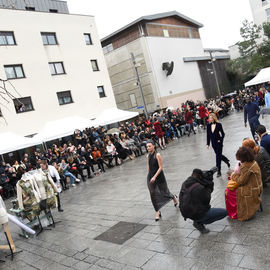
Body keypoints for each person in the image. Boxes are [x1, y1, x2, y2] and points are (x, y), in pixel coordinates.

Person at [179, 167, 227, 234]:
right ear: (200, 177)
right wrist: (209, 182)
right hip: (197, 213)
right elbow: (207, 200)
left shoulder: (185, 183)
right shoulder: (199, 187)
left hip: (186, 212)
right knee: (224, 212)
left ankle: (198, 220)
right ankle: (199, 222)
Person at [227, 147, 263, 221]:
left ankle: (236, 212)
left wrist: (232, 174)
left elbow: (241, 181)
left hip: (252, 189)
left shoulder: (246, 166)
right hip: (258, 186)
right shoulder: (253, 162)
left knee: (230, 191)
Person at [146, 140, 178, 221]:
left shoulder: (157, 155)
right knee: (152, 194)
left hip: (159, 176)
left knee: (164, 192)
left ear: (153, 146)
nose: (148, 148)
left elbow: (160, 167)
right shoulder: (147, 156)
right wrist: (149, 176)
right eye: (147, 146)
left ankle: (173, 197)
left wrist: (154, 176)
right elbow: (149, 167)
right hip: (151, 177)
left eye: (150, 146)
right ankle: (157, 211)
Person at [206, 113, 230, 177]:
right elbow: (208, 136)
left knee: (217, 157)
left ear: (214, 118)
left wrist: (221, 140)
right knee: (218, 155)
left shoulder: (219, 125)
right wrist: (207, 144)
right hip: (213, 144)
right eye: (209, 118)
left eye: (211, 118)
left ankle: (218, 171)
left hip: (219, 143)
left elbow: (223, 134)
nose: (210, 119)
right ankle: (226, 160)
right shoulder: (208, 126)